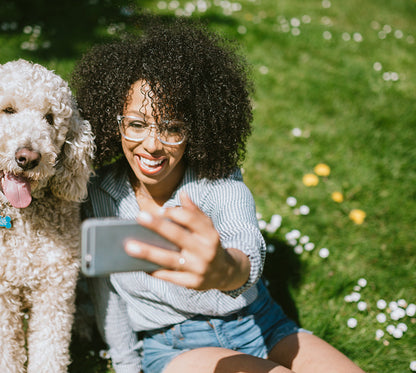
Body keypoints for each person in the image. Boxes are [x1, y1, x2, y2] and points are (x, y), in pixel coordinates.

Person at [72, 19, 365, 373]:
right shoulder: (98, 193)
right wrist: (127, 365)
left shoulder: (219, 181)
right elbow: (109, 293)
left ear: (196, 128)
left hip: (261, 323)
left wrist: (224, 270)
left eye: (172, 128)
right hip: (174, 346)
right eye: (136, 124)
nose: (152, 145)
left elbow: (248, 251)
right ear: (113, 121)